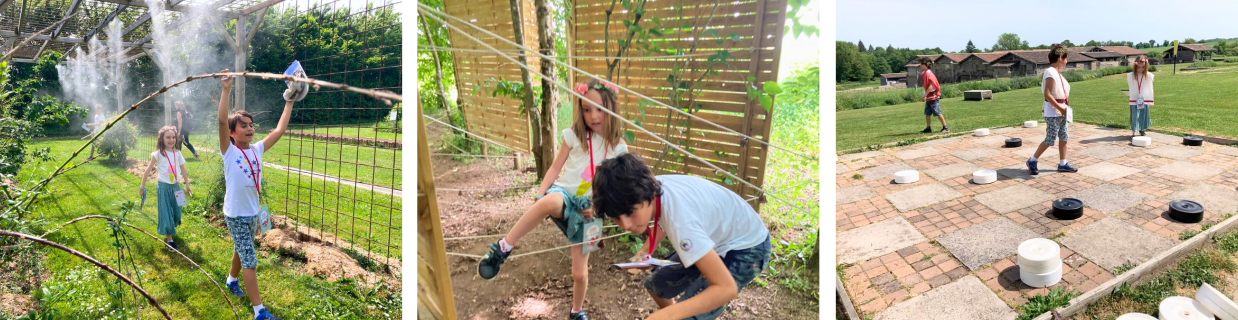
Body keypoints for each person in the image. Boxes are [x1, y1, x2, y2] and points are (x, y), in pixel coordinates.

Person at [475, 79, 629, 320]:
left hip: (591, 211)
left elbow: (615, 190)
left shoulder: (619, 149)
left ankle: (576, 311)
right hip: (566, 195)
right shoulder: (574, 136)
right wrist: (540, 193)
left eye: (598, 108)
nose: (593, 115)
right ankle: (502, 248)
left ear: (611, 108)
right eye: (586, 109)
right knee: (548, 202)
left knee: (579, 273)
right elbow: (555, 167)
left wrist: (599, 208)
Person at [592, 153, 771, 320]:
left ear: (646, 194)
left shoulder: (681, 221)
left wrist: (666, 316)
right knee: (657, 286)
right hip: (714, 237)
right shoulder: (653, 188)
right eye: (616, 217)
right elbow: (665, 217)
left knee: (684, 314)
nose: (626, 225)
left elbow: (726, 288)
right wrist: (646, 250)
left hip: (747, 248)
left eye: (630, 213)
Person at [216, 69, 300, 320]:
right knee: (250, 260)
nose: (250, 129)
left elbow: (279, 130)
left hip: (252, 212)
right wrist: (226, 90)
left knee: (241, 248)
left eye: (252, 125)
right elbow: (221, 122)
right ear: (232, 133)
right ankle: (259, 312)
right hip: (236, 214)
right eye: (243, 126)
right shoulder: (228, 151)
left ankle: (231, 280)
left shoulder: (258, 150)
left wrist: (290, 100)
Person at [1028, 44, 1077, 175]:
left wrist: (1065, 107)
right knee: (1050, 139)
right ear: (1061, 57)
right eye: (1066, 58)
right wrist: (1061, 108)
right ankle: (1032, 160)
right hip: (1053, 112)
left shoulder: (1057, 73)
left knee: (1064, 136)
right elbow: (1047, 94)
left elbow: (1060, 92)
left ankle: (1063, 163)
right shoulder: (1050, 72)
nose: (1067, 61)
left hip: (1062, 110)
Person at [139, 126, 191, 250]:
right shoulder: (157, 154)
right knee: (166, 212)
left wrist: (187, 185)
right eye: (168, 137)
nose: (171, 140)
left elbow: (183, 169)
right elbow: (147, 171)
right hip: (163, 188)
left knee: (178, 214)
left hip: (177, 188)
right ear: (161, 139)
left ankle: (171, 227)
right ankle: (170, 240)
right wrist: (142, 187)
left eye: (173, 137)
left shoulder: (177, 153)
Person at [1127, 57, 1154, 136]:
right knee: (1135, 115)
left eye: (1143, 67)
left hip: (1143, 98)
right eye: (1139, 67)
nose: (1141, 69)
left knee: (1144, 114)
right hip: (1135, 98)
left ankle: (1142, 129)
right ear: (1135, 66)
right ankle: (1134, 131)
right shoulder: (1131, 76)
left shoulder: (1148, 76)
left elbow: (1150, 86)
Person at [919, 57, 948, 133]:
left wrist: (925, 95)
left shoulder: (929, 74)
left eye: (921, 64)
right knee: (927, 113)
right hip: (929, 97)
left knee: (937, 112)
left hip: (933, 97)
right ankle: (928, 128)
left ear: (926, 65)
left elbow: (931, 86)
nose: (920, 65)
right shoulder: (925, 73)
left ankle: (945, 127)